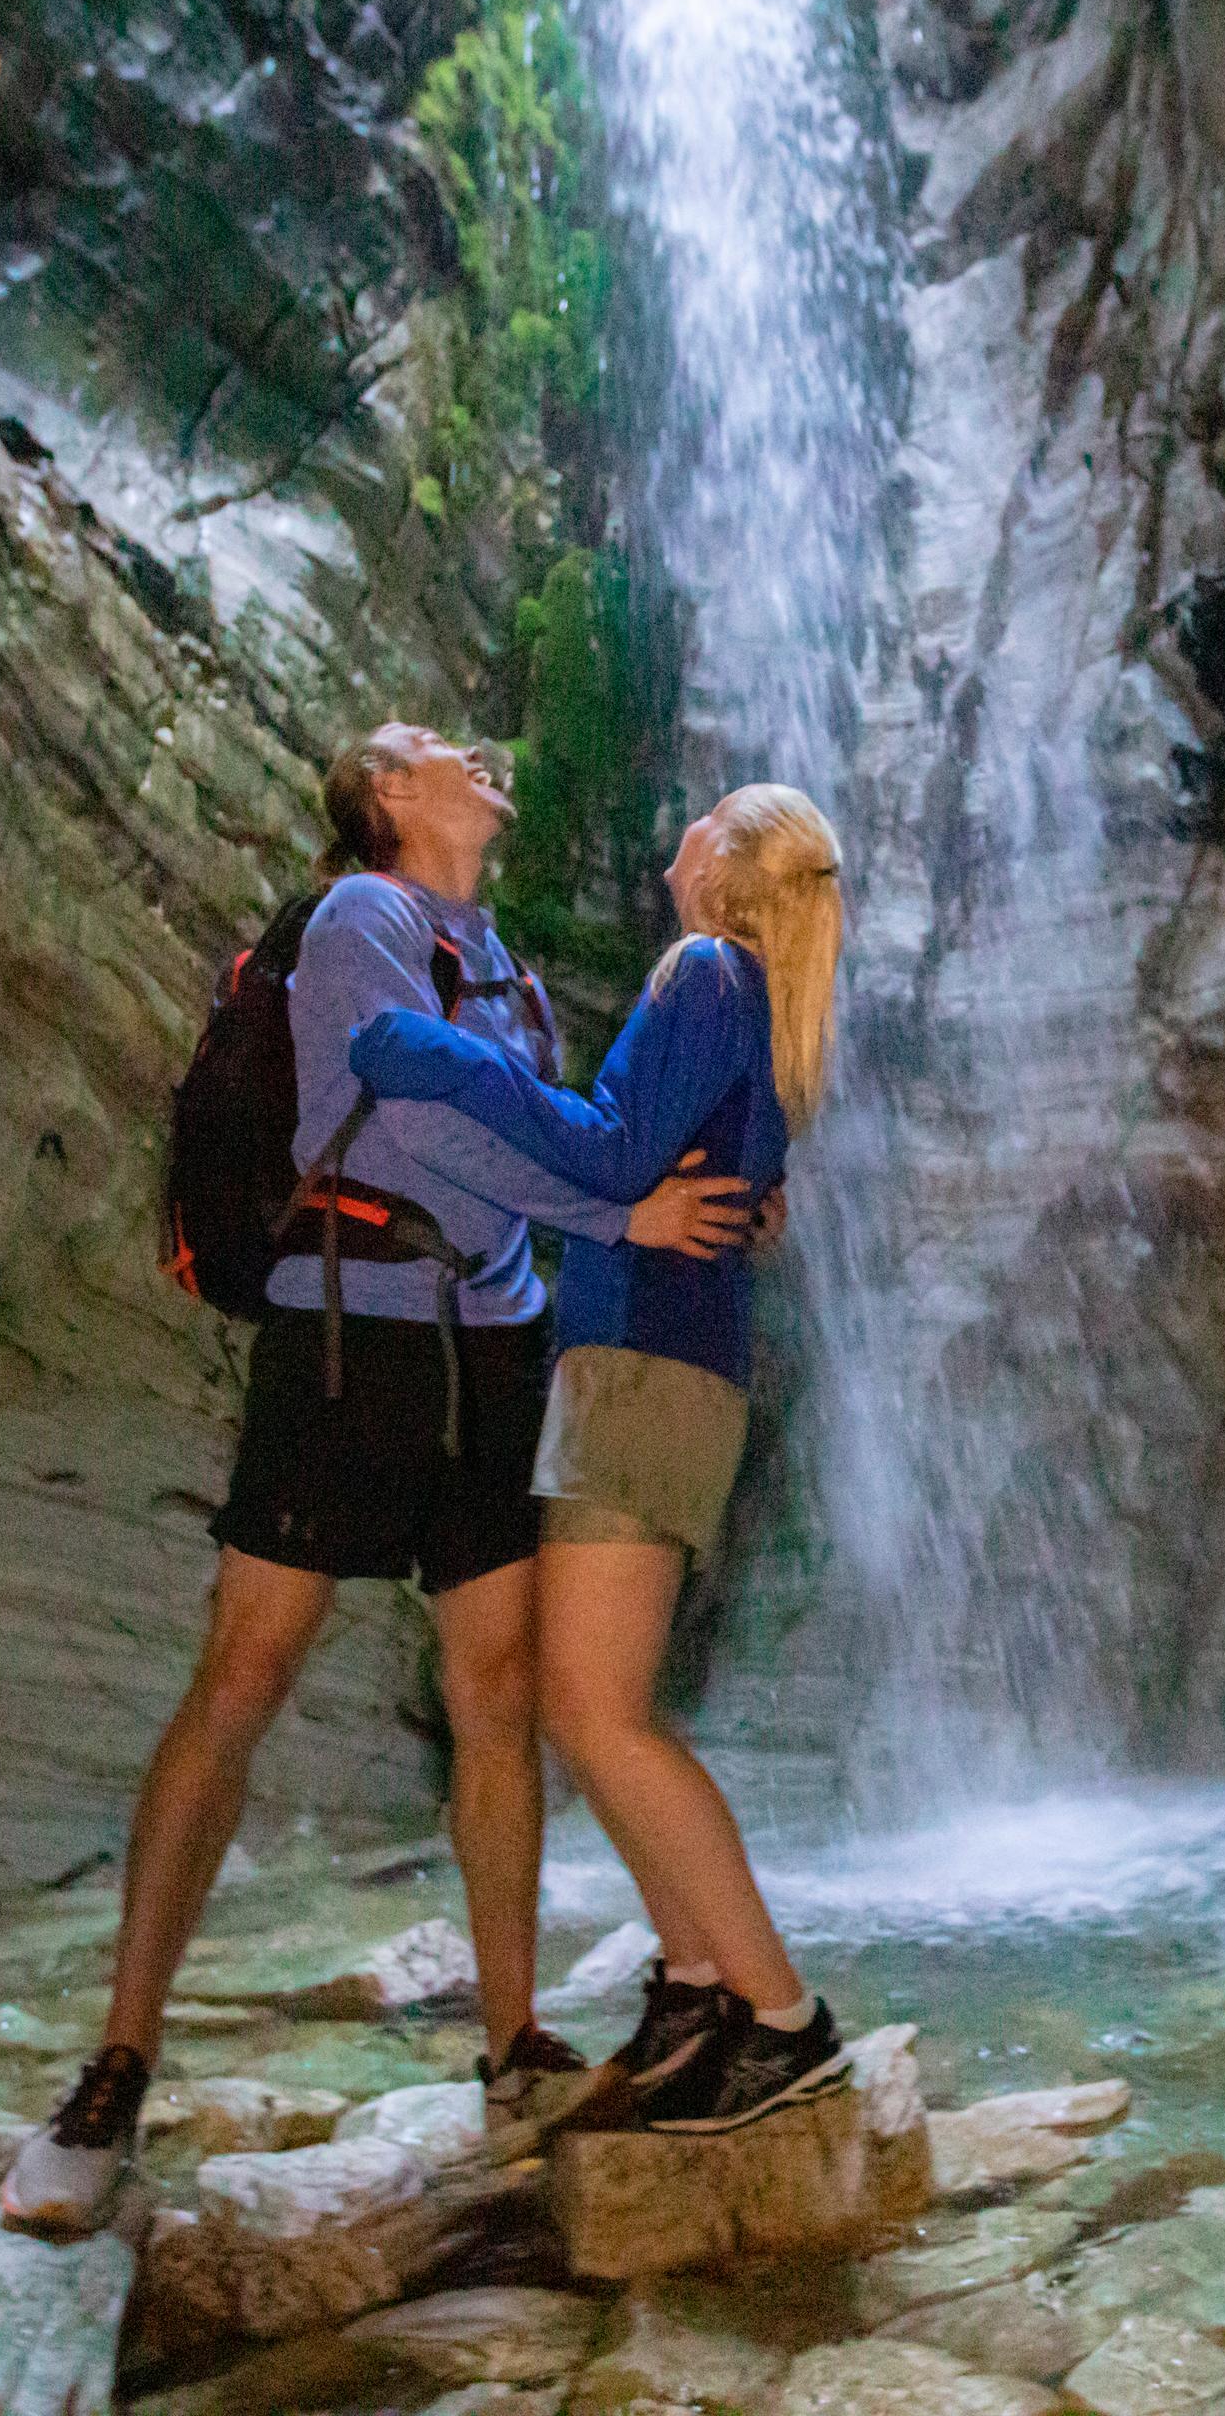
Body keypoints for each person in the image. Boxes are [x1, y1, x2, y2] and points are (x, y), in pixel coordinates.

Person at [0, 724, 756, 2237]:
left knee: (498, 1689)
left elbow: (581, 1140)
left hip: (497, 1348)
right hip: (352, 1331)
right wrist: (615, 1222)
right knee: (247, 1670)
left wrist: (727, 1184)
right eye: (436, 750)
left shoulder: (508, 968)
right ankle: (118, 2065)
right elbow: (411, 1121)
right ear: (390, 798)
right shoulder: (362, 916)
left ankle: (516, 2044)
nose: (479, 754)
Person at [346, 783, 853, 2132]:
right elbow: (680, 1178)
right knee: (596, 1710)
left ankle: (784, 2021)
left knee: (599, 1714)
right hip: (666, 1369)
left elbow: (615, 1154)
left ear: (730, 862)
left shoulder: (705, 972)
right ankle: (697, 1986)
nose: (672, 831)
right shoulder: (762, 1005)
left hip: (642, 1373)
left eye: (700, 820)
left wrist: (438, 1055)